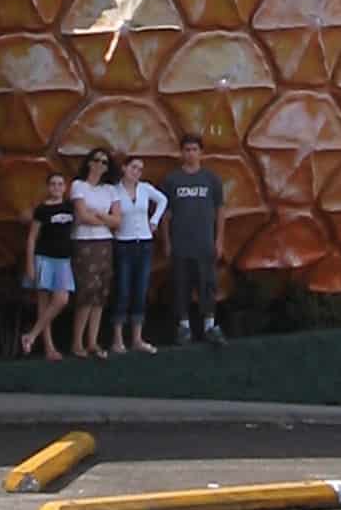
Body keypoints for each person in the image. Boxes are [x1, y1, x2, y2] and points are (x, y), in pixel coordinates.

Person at [160, 134, 226, 346]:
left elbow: (220, 211)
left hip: (205, 243)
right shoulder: (172, 180)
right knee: (181, 286)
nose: (190, 153)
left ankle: (209, 326)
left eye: (194, 149)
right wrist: (167, 242)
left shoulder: (211, 179)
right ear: (181, 153)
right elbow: (166, 214)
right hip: (181, 244)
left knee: (207, 285)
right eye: (187, 149)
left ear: (201, 152)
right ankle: (184, 327)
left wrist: (219, 240)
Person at [109, 156, 168, 355]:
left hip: (144, 243)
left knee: (140, 290)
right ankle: (118, 339)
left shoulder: (145, 188)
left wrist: (154, 221)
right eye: (134, 167)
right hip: (123, 244)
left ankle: (137, 337)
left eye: (140, 169)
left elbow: (163, 200)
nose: (137, 172)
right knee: (123, 289)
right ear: (124, 168)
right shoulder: (114, 190)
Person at [69, 147, 120, 358]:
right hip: (84, 242)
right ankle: (77, 342)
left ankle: (93, 341)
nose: (100, 165)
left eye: (105, 162)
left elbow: (117, 220)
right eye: (97, 160)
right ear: (89, 163)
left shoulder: (110, 190)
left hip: (105, 243)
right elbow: (81, 216)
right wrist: (104, 218)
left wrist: (98, 215)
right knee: (86, 291)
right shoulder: (79, 186)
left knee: (100, 292)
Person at [20, 171, 74, 361]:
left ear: (65, 187)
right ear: (48, 187)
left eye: (60, 184)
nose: (57, 187)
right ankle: (49, 348)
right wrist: (30, 264)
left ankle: (31, 335)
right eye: (53, 184)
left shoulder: (70, 207)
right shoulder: (42, 209)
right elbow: (32, 237)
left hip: (63, 260)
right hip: (44, 258)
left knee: (61, 299)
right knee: (44, 303)